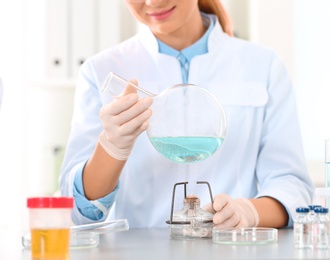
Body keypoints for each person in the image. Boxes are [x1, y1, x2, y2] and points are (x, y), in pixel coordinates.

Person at [60, 0, 314, 229]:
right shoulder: (100, 69)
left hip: (231, 250)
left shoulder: (262, 65)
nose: (152, 2)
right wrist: (112, 147)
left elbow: (291, 185)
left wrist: (249, 213)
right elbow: (79, 212)